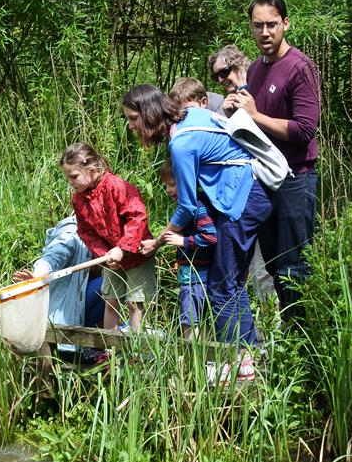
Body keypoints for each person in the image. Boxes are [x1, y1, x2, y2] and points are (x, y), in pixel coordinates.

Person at [125, 84, 272, 381]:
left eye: (132, 118)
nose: (131, 126)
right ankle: (244, 357)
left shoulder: (181, 143)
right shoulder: (192, 115)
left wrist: (158, 240)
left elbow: (187, 207)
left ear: (148, 114)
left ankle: (235, 361)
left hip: (241, 199)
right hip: (254, 194)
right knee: (230, 283)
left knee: (221, 285)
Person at [223, 0, 320, 325]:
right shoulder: (257, 69)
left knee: (295, 267)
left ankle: (304, 348)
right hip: (265, 178)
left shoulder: (300, 67)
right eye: (258, 26)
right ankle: (285, 346)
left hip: (296, 178)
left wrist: (254, 115)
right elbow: (251, 121)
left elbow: (305, 129)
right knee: (275, 266)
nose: (265, 32)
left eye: (271, 25)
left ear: (285, 24)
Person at [207, 44, 277, 304]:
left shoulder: (260, 86)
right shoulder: (225, 103)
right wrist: (225, 112)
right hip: (241, 194)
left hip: (268, 184)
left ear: (240, 64)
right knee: (250, 269)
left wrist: (249, 109)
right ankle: (256, 335)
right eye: (216, 76)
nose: (221, 79)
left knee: (269, 267)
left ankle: (278, 335)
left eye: (224, 71)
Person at [61, 142, 156, 333]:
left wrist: (122, 249)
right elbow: (85, 232)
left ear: (93, 169)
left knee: (134, 303)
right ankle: (110, 352)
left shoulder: (116, 186)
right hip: (110, 259)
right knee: (110, 301)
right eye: (67, 178)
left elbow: (137, 216)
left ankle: (136, 354)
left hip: (137, 255)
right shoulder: (78, 199)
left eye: (73, 176)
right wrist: (105, 255)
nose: (70, 182)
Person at [13, 215, 106, 361]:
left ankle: (96, 346)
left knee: (112, 283)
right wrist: (37, 275)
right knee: (106, 284)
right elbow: (54, 256)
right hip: (62, 316)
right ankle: (89, 347)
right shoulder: (71, 233)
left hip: (80, 309)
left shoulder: (100, 232)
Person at [158, 160, 217, 339]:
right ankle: (205, 361)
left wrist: (182, 240)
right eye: (166, 185)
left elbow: (211, 236)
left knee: (190, 320)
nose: (168, 190)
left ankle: (194, 360)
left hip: (197, 276)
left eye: (172, 184)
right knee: (199, 319)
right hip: (190, 274)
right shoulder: (191, 206)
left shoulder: (197, 208)